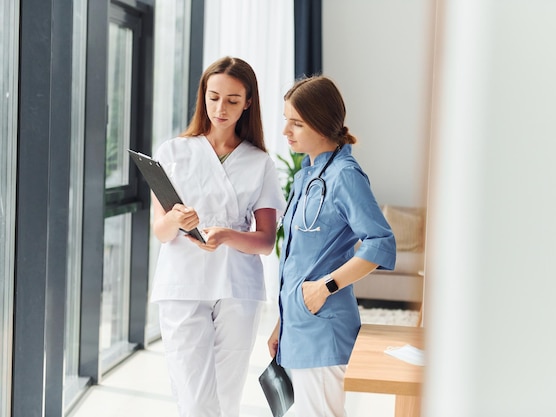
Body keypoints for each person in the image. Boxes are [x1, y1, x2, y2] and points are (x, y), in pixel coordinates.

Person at [150, 56, 285, 417]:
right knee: (194, 401)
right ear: (202, 96)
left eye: (232, 100)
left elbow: (266, 240)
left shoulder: (259, 162)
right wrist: (177, 219)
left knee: (226, 400)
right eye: (213, 97)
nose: (220, 108)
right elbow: (160, 232)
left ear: (249, 102)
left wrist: (226, 236)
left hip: (237, 287)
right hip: (182, 285)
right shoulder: (173, 152)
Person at [267, 75, 396, 417]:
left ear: (322, 124)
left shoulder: (344, 175)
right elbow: (298, 259)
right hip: (298, 327)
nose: (286, 132)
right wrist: (283, 322)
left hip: (323, 328)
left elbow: (380, 243)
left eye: (296, 123)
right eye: (286, 122)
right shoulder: (307, 175)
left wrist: (326, 287)